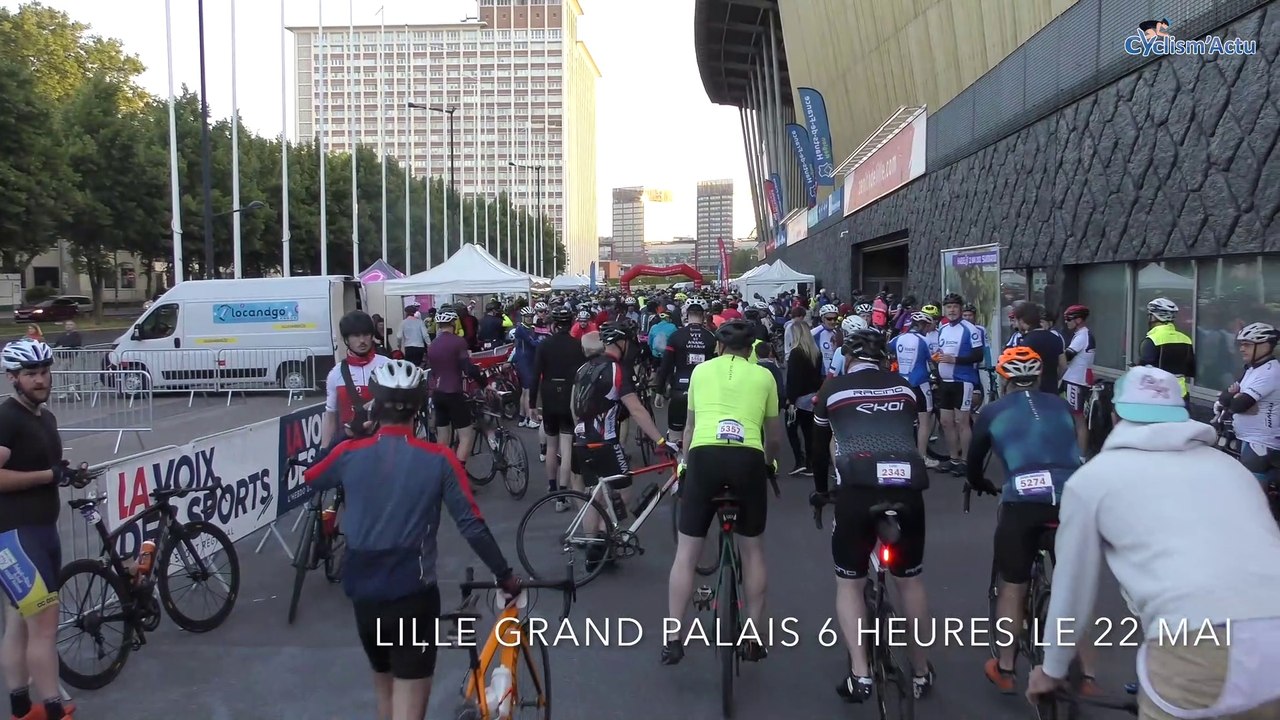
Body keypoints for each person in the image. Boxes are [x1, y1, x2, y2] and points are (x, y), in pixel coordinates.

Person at [1028, 366, 1280, 719]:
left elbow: (1072, 587)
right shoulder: (1231, 469)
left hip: (1193, 640)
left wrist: (1052, 669)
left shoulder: (1093, 481)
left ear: (1115, 415)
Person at [303, 359, 520, 720]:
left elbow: (313, 477)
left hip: (364, 592)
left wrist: (348, 434)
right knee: (410, 703)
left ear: (375, 403)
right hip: (412, 594)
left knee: (385, 694)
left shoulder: (349, 453)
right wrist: (504, 574)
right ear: (420, 407)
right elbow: (472, 525)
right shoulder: (439, 458)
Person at [810, 328, 935, 703]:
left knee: (849, 582)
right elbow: (914, 431)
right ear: (885, 359)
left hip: (858, 488)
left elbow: (819, 451)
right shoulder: (906, 387)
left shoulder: (833, 390)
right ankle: (921, 671)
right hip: (908, 485)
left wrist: (821, 491)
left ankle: (861, 675)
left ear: (847, 358)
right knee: (910, 581)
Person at [966, 347, 1097, 695]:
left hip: (1023, 501)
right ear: (1039, 378)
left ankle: (1006, 667)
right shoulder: (1061, 405)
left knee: (1013, 584)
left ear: (1003, 379)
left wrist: (978, 483)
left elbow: (974, 460)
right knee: (1071, 587)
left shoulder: (992, 411)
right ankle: (1087, 676)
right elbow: (1076, 438)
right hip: (1071, 496)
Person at [662, 319, 782, 666]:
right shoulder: (765, 376)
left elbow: (689, 427)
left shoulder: (701, 372)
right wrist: (770, 465)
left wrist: (684, 465)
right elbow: (773, 437)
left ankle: (673, 638)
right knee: (753, 549)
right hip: (747, 458)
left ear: (719, 347)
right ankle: (755, 637)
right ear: (752, 350)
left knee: (687, 552)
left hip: (704, 456)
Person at [0, 339, 82, 720]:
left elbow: (45, 467)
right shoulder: (7, 418)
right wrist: (48, 475)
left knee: (19, 622)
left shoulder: (43, 417)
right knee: (45, 627)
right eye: (30, 374)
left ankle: (21, 707)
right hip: (17, 535)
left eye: (44, 372)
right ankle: (53, 708)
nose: (40, 380)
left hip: (42, 530)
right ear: (13, 378)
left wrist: (65, 474)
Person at [571, 322, 672, 570]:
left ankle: (594, 550)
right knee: (623, 491)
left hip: (582, 440)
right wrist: (659, 439)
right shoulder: (617, 370)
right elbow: (636, 409)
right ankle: (604, 546)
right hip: (605, 441)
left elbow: (575, 406)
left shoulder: (584, 367)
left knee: (594, 494)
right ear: (621, 343)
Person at [531, 307, 586, 508]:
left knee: (551, 446)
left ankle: (552, 487)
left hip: (549, 394)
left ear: (553, 324)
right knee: (566, 447)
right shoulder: (577, 345)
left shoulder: (544, 345)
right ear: (571, 322)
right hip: (569, 396)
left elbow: (535, 374)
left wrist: (531, 404)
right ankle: (563, 495)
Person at [1218, 322, 1280, 487]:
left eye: (1247, 344)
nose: (1241, 349)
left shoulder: (1270, 372)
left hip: (1260, 442)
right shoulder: (1252, 369)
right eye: (1241, 344)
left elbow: (1239, 405)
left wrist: (1235, 398)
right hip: (1244, 437)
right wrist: (1233, 397)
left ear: (1265, 345)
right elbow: (1225, 398)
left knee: (1253, 491)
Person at [322, 311, 391, 447]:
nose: (362, 340)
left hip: (384, 446)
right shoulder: (335, 374)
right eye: (356, 335)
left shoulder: (388, 366)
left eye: (366, 334)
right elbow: (330, 417)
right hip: (349, 447)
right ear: (346, 339)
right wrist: (323, 451)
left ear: (372, 336)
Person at [934, 293, 986, 477]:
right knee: (947, 422)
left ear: (961, 309)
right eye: (949, 307)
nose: (952, 310)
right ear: (945, 310)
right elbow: (942, 353)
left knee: (962, 422)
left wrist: (954, 359)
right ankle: (954, 458)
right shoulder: (943, 329)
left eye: (955, 307)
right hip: (945, 381)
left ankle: (966, 461)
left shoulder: (970, 329)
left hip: (963, 381)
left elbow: (978, 356)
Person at [653, 301, 717, 447]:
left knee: (675, 438)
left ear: (687, 316)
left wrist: (659, 391)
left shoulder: (676, 336)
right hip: (704, 392)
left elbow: (666, 365)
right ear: (703, 316)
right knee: (701, 436)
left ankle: (679, 464)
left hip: (680, 390)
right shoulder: (711, 337)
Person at [426, 309, 480, 463]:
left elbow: (433, 371)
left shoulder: (433, 345)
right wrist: (483, 383)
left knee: (443, 437)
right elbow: (468, 368)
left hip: (438, 394)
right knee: (466, 435)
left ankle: (442, 472)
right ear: (453, 323)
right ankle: (458, 475)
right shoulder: (458, 341)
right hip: (453, 392)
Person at [894, 311, 941, 470]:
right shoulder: (924, 340)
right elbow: (932, 361)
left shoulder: (899, 338)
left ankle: (903, 454)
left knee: (904, 421)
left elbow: (887, 348)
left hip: (902, 384)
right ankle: (921, 457)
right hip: (920, 384)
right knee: (924, 422)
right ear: (925, 325)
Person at [1138, 298, 1196, 403]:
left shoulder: (1151, 340)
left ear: (1154, 317)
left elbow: (1143, 373)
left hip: (1157, 397)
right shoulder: (1186, 339)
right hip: (1180, 395)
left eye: (1149, 315)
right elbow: (1190, 370)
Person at [786, 321, 824, 479]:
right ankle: (810, 463)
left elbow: (794, 379)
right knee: (809, 432)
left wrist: (790, 399)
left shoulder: (796, 353)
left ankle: (799, 460)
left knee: (791, 430)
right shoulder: (816, 352)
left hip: (799, 398)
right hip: (812, 396)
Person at [1060, 305, 1096, 456]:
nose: (1066, 322)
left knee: (1078, 419)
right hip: (1076, 379)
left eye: (1069, 319)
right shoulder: (1082, 334)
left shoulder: (1082, 336)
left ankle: (1080, 456)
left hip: (1076, 381)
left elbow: (1066, 356)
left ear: (1079, 320)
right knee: (1074, 418)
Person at [1014, 304, 1065, 395]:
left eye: (1016, 321)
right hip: (1052, 391)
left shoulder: (1026, 342)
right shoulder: (1055, 338)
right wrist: (1054, 379)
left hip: (1033, 393)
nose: (1016, 325)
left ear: (1022, 321)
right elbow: (1063, 365)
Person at [510, 306, 542, 429]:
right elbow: (532, 343)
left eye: (530, 316)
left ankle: (522, 417)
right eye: (527, 317)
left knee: (524, 390)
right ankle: (530, 419)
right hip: (524, 361)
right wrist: (544, 342)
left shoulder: (530, 328)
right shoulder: (521, 329)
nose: (529, 319)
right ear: (523, 317)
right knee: (528, 390)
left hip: (528, 360)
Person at [813, 304, 841, 370]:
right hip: (820, 373)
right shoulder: (814, 333)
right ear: (822, 318)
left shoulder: (837, 333)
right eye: (829, 319)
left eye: (835, 318)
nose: (833, 321)